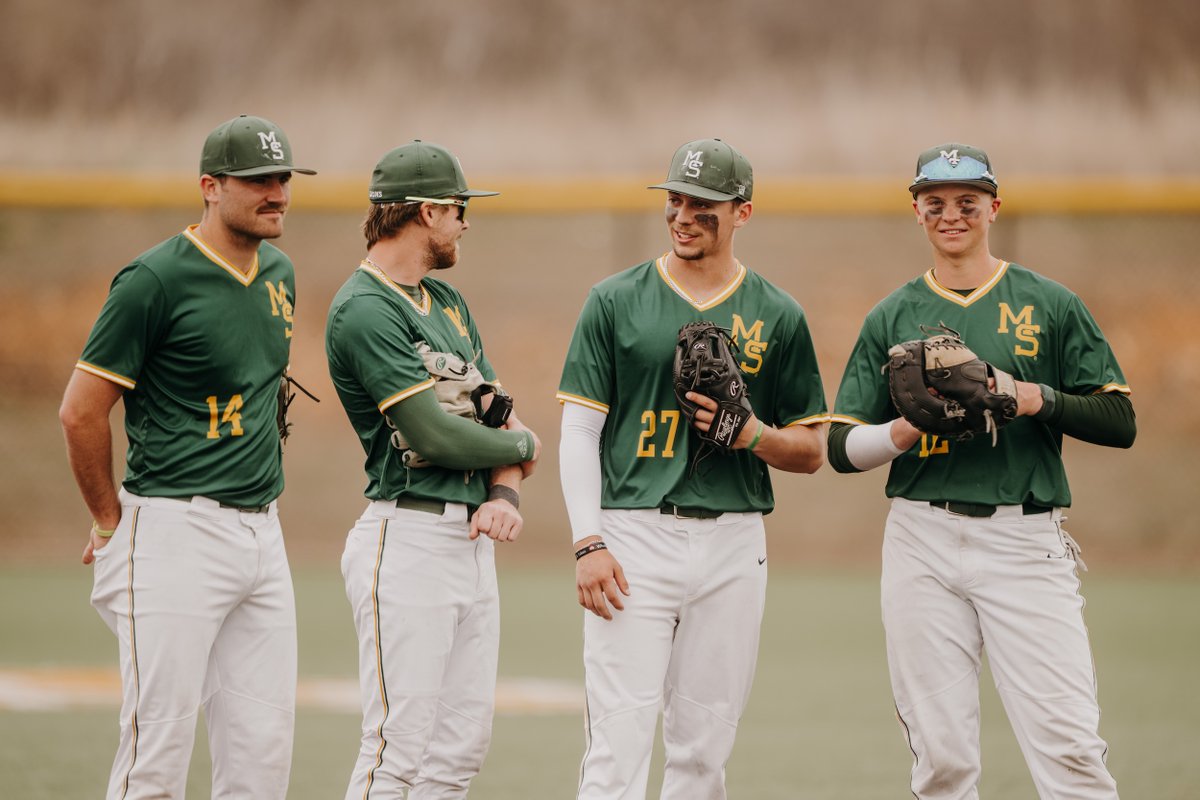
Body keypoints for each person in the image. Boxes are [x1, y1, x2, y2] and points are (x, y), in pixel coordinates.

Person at [827, 143, 1136, 799]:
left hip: (1024, 539)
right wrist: (908, 429)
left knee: (1071, 749)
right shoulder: (891, 315)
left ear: (993, 207)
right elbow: (841, 448)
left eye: (967, 201)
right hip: (921, 538)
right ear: (917, 212)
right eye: (935, 203)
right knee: (942, 762)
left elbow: (1120, 420)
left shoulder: (1049, 304)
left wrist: (1033, 396)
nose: (951, 215)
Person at [557, 138, 828, 800]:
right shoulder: (614, 300)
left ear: (743, 212)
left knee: (704, 756)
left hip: (734, 543)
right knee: (616, 751)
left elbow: (812, 448)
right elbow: (580, 430)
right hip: (633, 539)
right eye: (675, 200)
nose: (682, 215)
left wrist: (754, 434)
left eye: (702, 205)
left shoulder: (778, 313)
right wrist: (587, 540)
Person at [59, 114, 316, 798]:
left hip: (264, 533)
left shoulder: (281, 272)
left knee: (262, 756)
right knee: (157, 756)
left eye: (284, 177)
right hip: (173, 531)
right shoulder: (153, 280)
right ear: (210, 186)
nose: (278, 192)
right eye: (258, 180)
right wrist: (110, 519)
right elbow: (81, 411)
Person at [326, 140, 540, 799]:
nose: (465, 221)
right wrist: (522, 449)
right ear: (422, 212)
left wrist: (506, 492)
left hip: (471, 541)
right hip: (408, 539)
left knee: (457, 754)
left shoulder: (447, 302)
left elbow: (497, 417)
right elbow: (431, 435)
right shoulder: (365, 308)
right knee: (398, 750)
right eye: (456, 209)